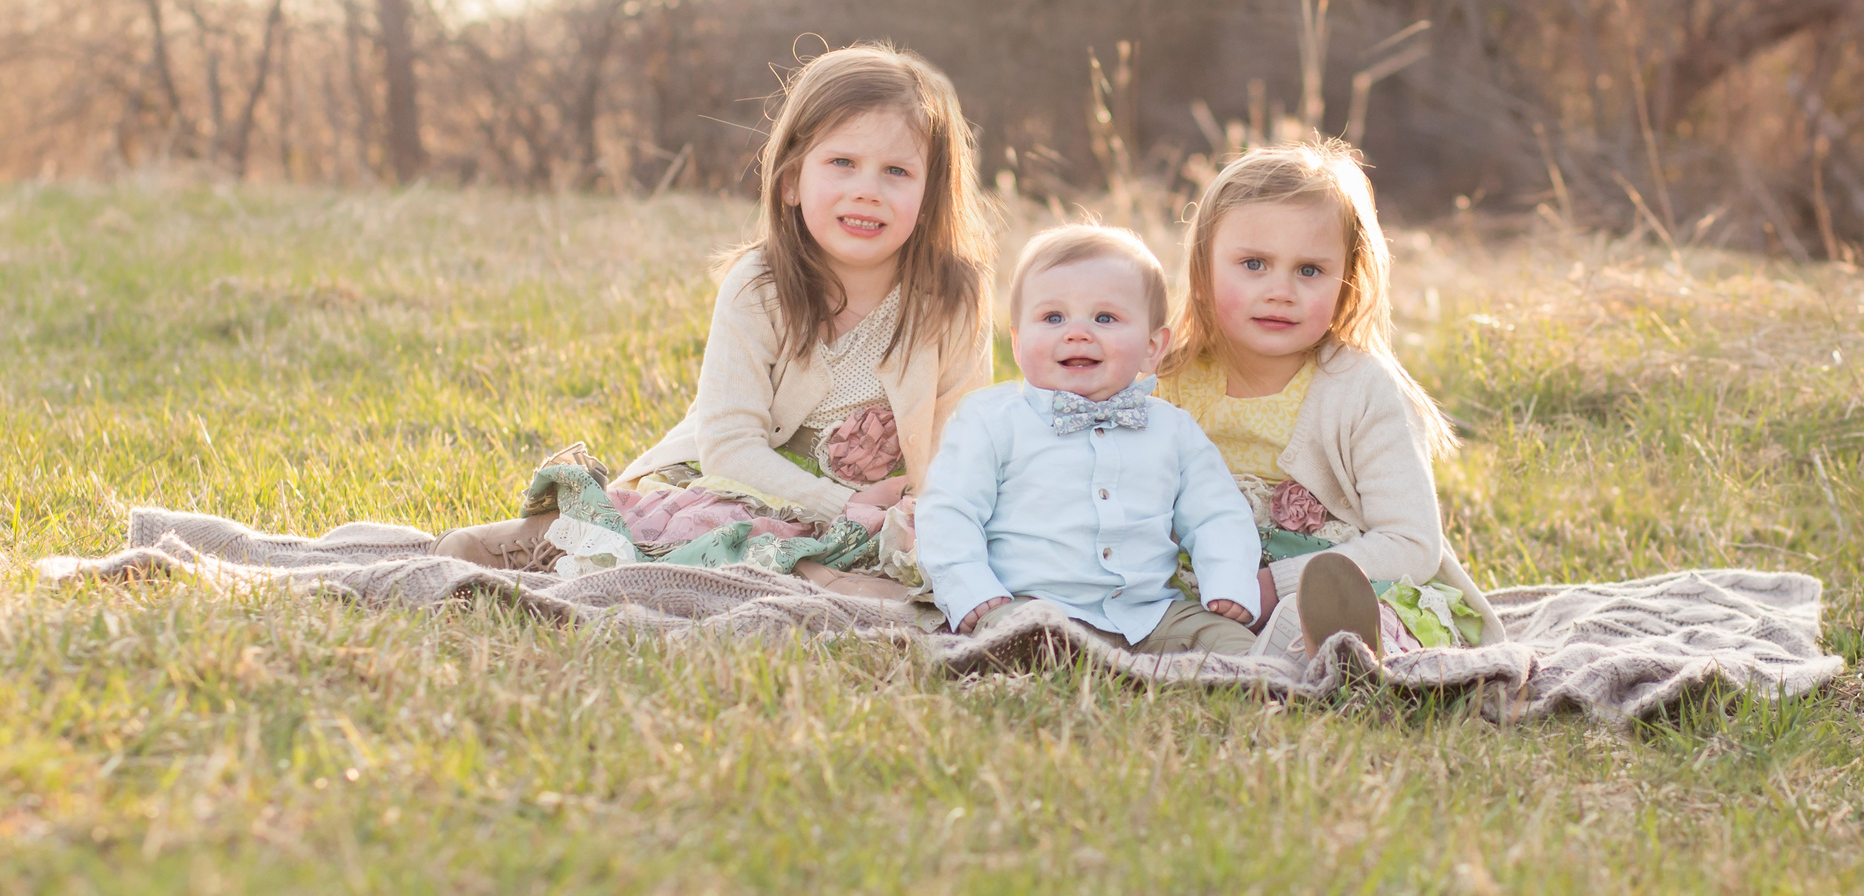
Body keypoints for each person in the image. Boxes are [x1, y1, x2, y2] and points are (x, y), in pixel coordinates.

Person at [430, 43, 993, 594]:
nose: (867, 191)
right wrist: (838, 505)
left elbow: (959, 442)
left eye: (896, 171)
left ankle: (832, 579)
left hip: (877, 513)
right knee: (698, 528)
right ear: (793, 181)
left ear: (930, 195)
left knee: (944, 555)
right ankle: (550, 540)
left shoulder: (951, 301)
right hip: (743, 483)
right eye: (842, 163)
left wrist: (921, 517)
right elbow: (729, 446)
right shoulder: (761, 285)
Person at [1159, 141, 1507, 659]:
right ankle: (1264, 653)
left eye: (1309, 271)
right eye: (1253, 264)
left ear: (1345, 286)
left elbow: (1411, 543)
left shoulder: (1361, 388)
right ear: (1203, 275)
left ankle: (1343, 654)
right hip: (1210, 586)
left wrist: (1279, 584)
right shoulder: (1172, 379)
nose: (1280, 291)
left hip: (1348, 577)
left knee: (1370, 621)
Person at [916, 224, 1304, 656]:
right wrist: (970, 587)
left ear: (1152, 347)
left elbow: (1217, 514)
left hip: (1150, 613)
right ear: (1018, 340)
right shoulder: (991, 419)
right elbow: (949, 510)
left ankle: (1278, 664)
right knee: (1014, 641)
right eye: (1053, 318)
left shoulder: (1173, 430)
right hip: (1031, 605)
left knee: (1231, 645)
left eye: (1105, 318)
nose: (1077, 332)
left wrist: (1229, 580)